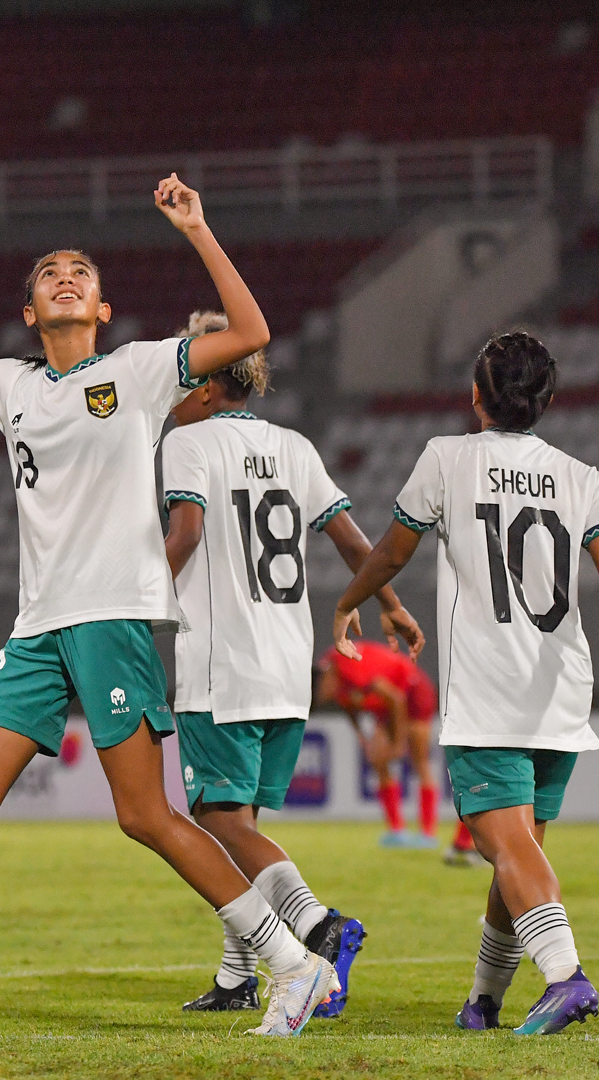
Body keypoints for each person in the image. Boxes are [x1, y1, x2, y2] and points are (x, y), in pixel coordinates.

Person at [0, 177, 338, 1041]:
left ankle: (295, 967)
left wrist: (198, 227)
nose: (66, 277)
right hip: (38, 624)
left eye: (81, 270)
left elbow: (252, 333)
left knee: (144, 815)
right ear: (32, 310)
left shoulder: (141, 369)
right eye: (49, 273)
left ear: (103, 306)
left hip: (113, 615)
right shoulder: (9, 384)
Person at [331, 332, 599, 1035]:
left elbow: (392, 552)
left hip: (490, 694)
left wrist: (348, 603)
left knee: (507, 850)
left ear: (475, 395)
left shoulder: (447, 458)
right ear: (548, 400)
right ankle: (485, 1001)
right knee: (515, 854)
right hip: (560, 688)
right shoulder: (584, 476)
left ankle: (567, 977)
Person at [162, 311, 424, 1018]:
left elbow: (185, 533)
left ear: (207, 380)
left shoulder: (188, 443)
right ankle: (236, 976)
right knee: (239, 822)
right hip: (286, 664)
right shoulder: (295, 447)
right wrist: (390, 604)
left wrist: (132, 597)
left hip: (223, 663)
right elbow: (351, 537)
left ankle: (317, 928)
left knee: (218, 820)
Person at [316, 641, 479, 860]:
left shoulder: (350, 670)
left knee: (419, 761)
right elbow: (351, 708)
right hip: (387, 704)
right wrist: (363, 739)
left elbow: (396, 699)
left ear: (326, 678)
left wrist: (399, 743)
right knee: (379, 760)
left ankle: (427, 833)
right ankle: (397, 830)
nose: (322, 698)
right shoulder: (336, 681)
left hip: (412, 691)